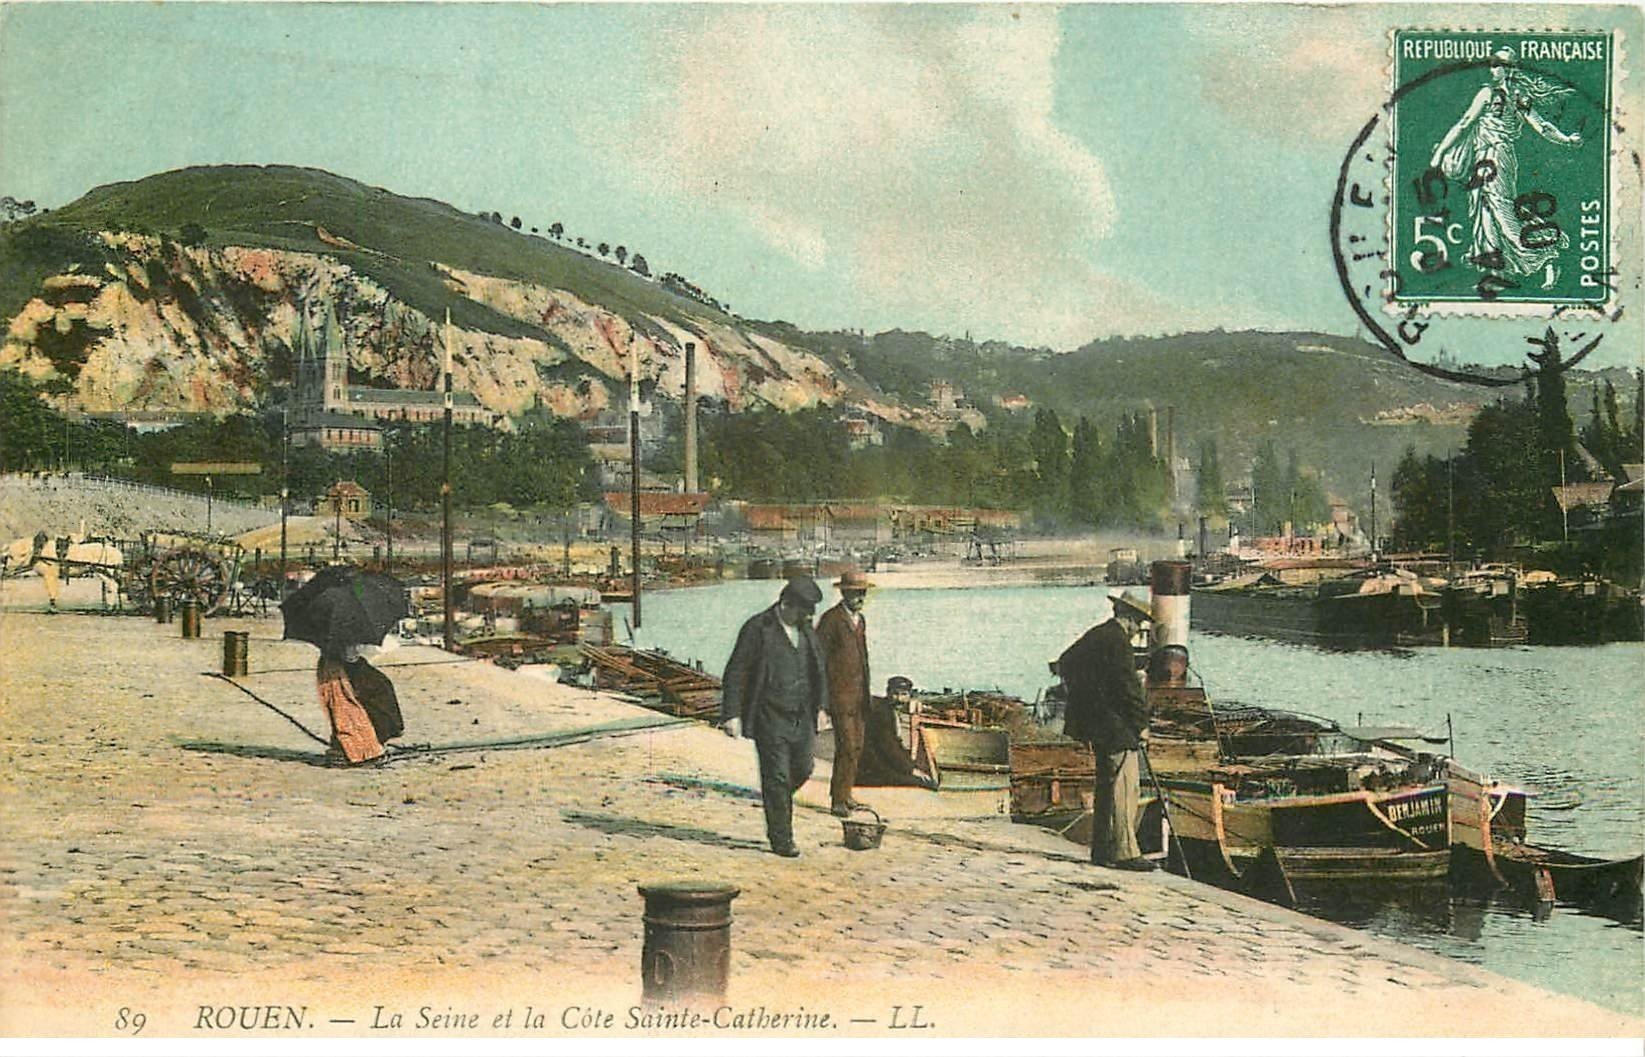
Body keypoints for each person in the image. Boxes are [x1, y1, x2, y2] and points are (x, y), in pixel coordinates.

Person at [1429, 48, 1584, 288]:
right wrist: (1566, 139)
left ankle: (1547, 255)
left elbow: (1464, 124)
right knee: (1486, 212)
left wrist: (1440, 153)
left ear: (1511, 67)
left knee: (1502, 214)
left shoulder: (1488, 93)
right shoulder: (1517, 94)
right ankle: (1495, 273)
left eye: (1501, 63)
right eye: (1493, 63)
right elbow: (1541, 126)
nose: (1496, 67)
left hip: (1495, 159)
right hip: (1491, 158)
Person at [720, 576, 829, 857]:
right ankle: (782, 839)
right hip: (770, 716)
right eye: (802, 611)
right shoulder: (758, 628)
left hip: (802, 716)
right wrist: (732, 714)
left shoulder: (805, 630)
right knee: (777, 777)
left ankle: (776, 801)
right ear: (785, 604)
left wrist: (821, 709)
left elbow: (819, 671)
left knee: (803, 769)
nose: (806, 617)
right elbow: (736, 671)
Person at [1058, 585, 1155, 872]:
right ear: (1125, 616)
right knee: (1124, 790)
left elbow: (1065, 662)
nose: (1138, 629)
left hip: (1095, 724)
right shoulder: (1118, 642)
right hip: (1116, 728)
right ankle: (1124, 853)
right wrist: (1142, 726)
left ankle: (1101, 851)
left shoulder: (1097, 635)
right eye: (1137, 622)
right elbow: (1128, 689)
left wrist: (1086, 695)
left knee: (1104, 788)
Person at [817, 569, 873, 816]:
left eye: (862, 593)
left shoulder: (860, 621)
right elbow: (818, 662)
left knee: (857, 747)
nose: (859, 598)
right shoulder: (831, 620)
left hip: (859, 697)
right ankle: (837, 800)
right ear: (843, 593)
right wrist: (821, 703)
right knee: (847, 746)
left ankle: (845, 793)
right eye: (854, 593)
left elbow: (863, 659)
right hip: (839, 698)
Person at [316, 643, 403, 766]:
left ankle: (361, 746)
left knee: (377, 690)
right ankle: (360, 750)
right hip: (340, 671)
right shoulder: (343, 639)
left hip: (338, 666)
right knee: (351, 711)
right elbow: (350, 657)